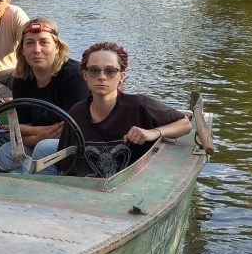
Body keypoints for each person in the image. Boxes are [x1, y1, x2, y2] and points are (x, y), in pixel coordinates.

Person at [50, 41, 191, 177]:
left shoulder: (139, 105)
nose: (102, 77)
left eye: (110, 71)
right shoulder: (76, 113)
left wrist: (153, 132)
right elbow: (66, 169)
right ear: (85, 75)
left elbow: (185, 124)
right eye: (94, 70)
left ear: (121, 76)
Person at [0, 17, 88, 171]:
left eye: (44, 42)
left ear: (57, 47)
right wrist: (38, 135)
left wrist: (32, 135)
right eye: (30, 43)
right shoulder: (21, 79)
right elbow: (24, 124)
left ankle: (49, 192)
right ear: (23, 50)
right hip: (42, 141)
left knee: (43, 148)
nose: (36, 49)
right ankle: (22, 192)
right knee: (6, 152)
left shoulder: (74, 76)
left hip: (78, 142)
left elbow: (68, 129)